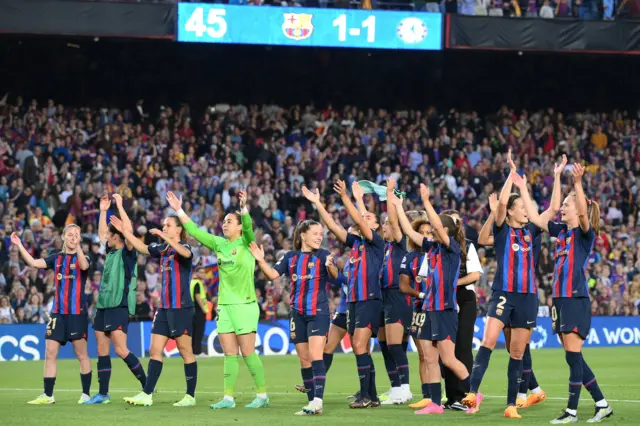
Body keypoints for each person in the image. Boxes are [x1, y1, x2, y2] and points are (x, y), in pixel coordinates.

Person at [462, 152, 563, 418]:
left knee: (516, 351)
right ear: (510, 212)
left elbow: (552, 209)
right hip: (503, 293)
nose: (526, 212)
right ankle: (472, 393)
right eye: (521, 208)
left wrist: (557, 176)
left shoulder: (533, 230)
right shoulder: (503, 231)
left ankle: (510, 405)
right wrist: (511, 174)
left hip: (528, 297)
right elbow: (503, 203)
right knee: (489, 340)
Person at [516, 163, 613, 423]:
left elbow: (582, 213)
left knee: (572, 357)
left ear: (578, 209)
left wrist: (578, 185)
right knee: (574, 357)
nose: (562, 208)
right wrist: (523, 187)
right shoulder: (561, 233)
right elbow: (538, 219)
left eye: (566, 205)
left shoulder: (584, 234)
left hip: (574, 299)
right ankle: (602, 404)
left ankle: (571, 411)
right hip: (561, 301)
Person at [166, 190, 268, 409]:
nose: (224, 224)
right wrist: (178, 210)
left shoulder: (246, 242)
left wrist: (243, 208)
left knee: (248, 353)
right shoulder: (219, 244)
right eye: (223, 221)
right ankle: (228, 398)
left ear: (239, 227)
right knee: (229, 354)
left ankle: (262, 395)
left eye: (229, 221)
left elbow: (249, 226)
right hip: (225, 306)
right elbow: (193, 230)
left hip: (245, 305)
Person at [302, 181, 384, 409]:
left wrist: (348, 197)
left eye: (369, 217)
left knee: (359, 345)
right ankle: (372, 396)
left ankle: (365, 396)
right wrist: (318, 203)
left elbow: (358, 219)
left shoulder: (377, 242)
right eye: (363, 216)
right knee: (362, 348)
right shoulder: (356, 245)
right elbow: (334, 226)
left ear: (376, 227)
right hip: (355, 302)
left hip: (369, 298)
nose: (363, 218)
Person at [391, 184, 471, 415]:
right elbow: (410, 232)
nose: (431, 231)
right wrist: (398, 206)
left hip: (445, 309)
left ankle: (473, 394)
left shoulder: (451, 248)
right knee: (431, 358)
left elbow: (436, 224)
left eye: (436, 229)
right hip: (429, 309)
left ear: (444, 230)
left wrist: (427, 202)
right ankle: (435, 404)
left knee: (448, 359)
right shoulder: (432, 248)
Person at [250, 220, 338, 416]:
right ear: (303, 235)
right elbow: (272, 275)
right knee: (304, 360)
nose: (319, 237)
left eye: (321, 233)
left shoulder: (324, 255)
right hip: (297, 313)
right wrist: (261, 260)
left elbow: (334, 275)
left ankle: (318, 401)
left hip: (318, 312)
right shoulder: (290, 257)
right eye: (315, 233)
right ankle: (311, 404)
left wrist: (331, 266)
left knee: (316, 356)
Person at [113, 213, 197, 407]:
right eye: (164, 225)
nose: (164, 227)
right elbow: (142, 247)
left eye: (168, 225)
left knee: (185, 351)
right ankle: (147, 394)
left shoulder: (184, 248)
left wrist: (165, 237)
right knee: (154, 350)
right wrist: (125, 231)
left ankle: (190, 396)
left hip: (181, 308)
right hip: (165, 308)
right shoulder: (162, 249)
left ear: (179, 230)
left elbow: (186, 255)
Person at [12, 224, 93, 405]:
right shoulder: (56, 258)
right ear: (63, 237)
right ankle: (48, 395)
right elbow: (33, 263)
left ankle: (86, 394)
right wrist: (19, 245)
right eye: (70, 235)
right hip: (57, 314)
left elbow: (84, 265)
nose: (73, 237)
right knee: (49, 352)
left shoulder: (83, 257)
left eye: (77, 235)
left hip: (77, 314)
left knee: (81, 354)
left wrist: (78, 246)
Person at [84, 194, 146, 405]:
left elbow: (127, 232)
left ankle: (147, 387)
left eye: (110, 235)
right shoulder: (110, 251)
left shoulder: (128, 252)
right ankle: (103, 394)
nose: (105, 238)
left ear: (117, 236)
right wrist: (103, 210)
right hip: (102, 305)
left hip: (119, 304)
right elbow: (103, 231)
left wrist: (119, 205)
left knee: (120, 350)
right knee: (102, 350)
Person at [440, 208, 484, 411]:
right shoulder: (437, 247)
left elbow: (475, 275)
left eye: (457, 221)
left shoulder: (469, 246)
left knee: (463, 348)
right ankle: (451, 397)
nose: (455, 226)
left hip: (464, 298)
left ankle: (466, 396)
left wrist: (452, 283)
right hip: (445, 300)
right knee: (446, 349)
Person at [378, 178, 412, 405]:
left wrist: (390, 195)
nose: (384, 227)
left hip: (399, 296)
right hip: (385, 298)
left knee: (394, 345)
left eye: (387, 224)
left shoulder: (401, 242)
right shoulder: (386, 247)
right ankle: (395, 386)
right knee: (384, 344)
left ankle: (405, 388)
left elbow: (394, 220)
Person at [398, 215, 434, 410]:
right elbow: (403, 286)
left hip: (440, 309)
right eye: (422, 233)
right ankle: (427, 395)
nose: (426, 236)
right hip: (419, 309)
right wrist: (422, 294)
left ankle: (444, 393)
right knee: (423, 355)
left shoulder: (439, 253)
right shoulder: (409, 257)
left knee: (441, 355)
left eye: (430, 233)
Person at [191, 266, 209, 357]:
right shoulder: (197, 283)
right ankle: (198, 352)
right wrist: (204, 310)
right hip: (198, 311)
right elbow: (197, 297)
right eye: (201, 272)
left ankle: (193, 352)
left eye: (204, 272)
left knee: (194, 333)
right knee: (198, 332)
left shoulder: (194, 282)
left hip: (192, 311)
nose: (203, 274)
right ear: (197, 273)